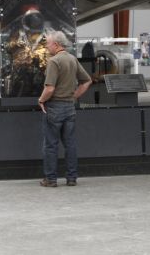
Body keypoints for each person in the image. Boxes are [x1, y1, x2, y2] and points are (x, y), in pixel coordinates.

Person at [37, 31, 92, 187]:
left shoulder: (54, 61)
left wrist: (41, 100)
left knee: (50, 145)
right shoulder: (72, 59)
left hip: (54, 108)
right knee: (70, 144)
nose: (46, 47)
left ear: (56, 44)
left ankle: (51, 179)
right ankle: (72, 178)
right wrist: (74, 96)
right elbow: (87, 81)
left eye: (48, 44)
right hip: (69, 108)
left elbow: (49, 88)